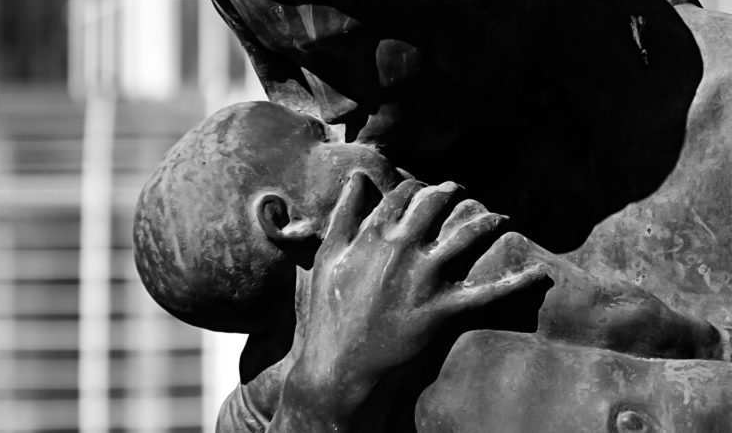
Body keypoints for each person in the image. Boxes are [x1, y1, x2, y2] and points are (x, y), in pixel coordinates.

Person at [186, 0, 732, 430]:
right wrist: (325, 396)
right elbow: (258, 409)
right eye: (291, 67)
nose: (328, 112)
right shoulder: (363, 207)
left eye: (340, 54)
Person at [134, 102, 727, 430]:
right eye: (318, 139)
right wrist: (326, 392)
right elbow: (638, 323)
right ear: (282, 219)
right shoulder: (261, 408)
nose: (350, 135)